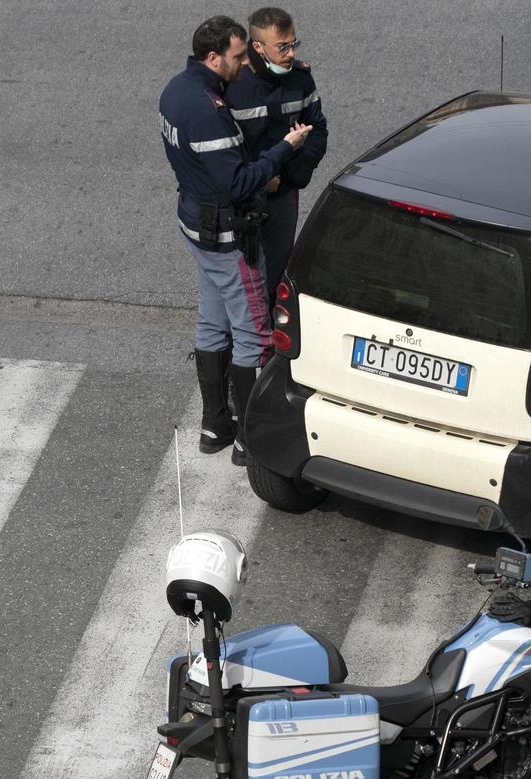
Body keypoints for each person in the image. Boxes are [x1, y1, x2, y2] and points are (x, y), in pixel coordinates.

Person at [160, 15, 313, 464]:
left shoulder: (175, 91)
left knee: (211, 322)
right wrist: (285, 149)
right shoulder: (210, 113)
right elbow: (240, 182)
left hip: (195, 225)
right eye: (238, 55)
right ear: (213, 57)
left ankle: (214, 423)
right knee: (255, 334)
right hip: (229, 237)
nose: (245, 62)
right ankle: (249, 437)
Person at [226, 7, 327, 315]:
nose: (290, 53)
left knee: (275, 277)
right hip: (242, 199)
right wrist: (259, 177)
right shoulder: (233, 86)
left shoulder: (300, 80)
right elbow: (224, 149)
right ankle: (238, 351)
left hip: (283, 195)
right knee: (239, 283)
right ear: (258, 47)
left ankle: (266, 347)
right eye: (282, 47)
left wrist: (305, 163)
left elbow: (317, 128)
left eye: (294, 44)